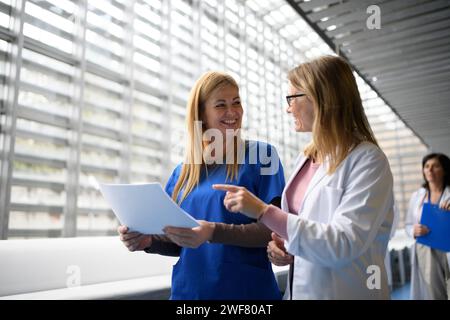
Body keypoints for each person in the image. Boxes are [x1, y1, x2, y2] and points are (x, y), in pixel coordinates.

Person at [214, 55, 395, 299]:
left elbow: (343, 243)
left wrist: (263, 211)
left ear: (320, 98)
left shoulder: (368, 161)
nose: (288, 108)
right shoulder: (306, 158)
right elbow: (304, 229)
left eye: (292, 98)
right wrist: (283, 248)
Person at [117, 71, 285, 300]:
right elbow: (179, 240)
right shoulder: (183, 172)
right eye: (221, 105)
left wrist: (212, 232)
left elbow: (274, 231)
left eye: (237, 102)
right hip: (189, 294)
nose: (232, 112)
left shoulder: (263, 156)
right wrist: (148, 241)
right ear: (202, 115)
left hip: (245, 293)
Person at [405, 153, 450, 299]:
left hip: (447, 248)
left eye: (435, 166)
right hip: (426, 249)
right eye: (426, 166)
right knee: (433, 293)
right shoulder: (417, 196)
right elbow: (408, 224)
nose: (430, 170)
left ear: (445, 170)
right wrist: (413, 230)